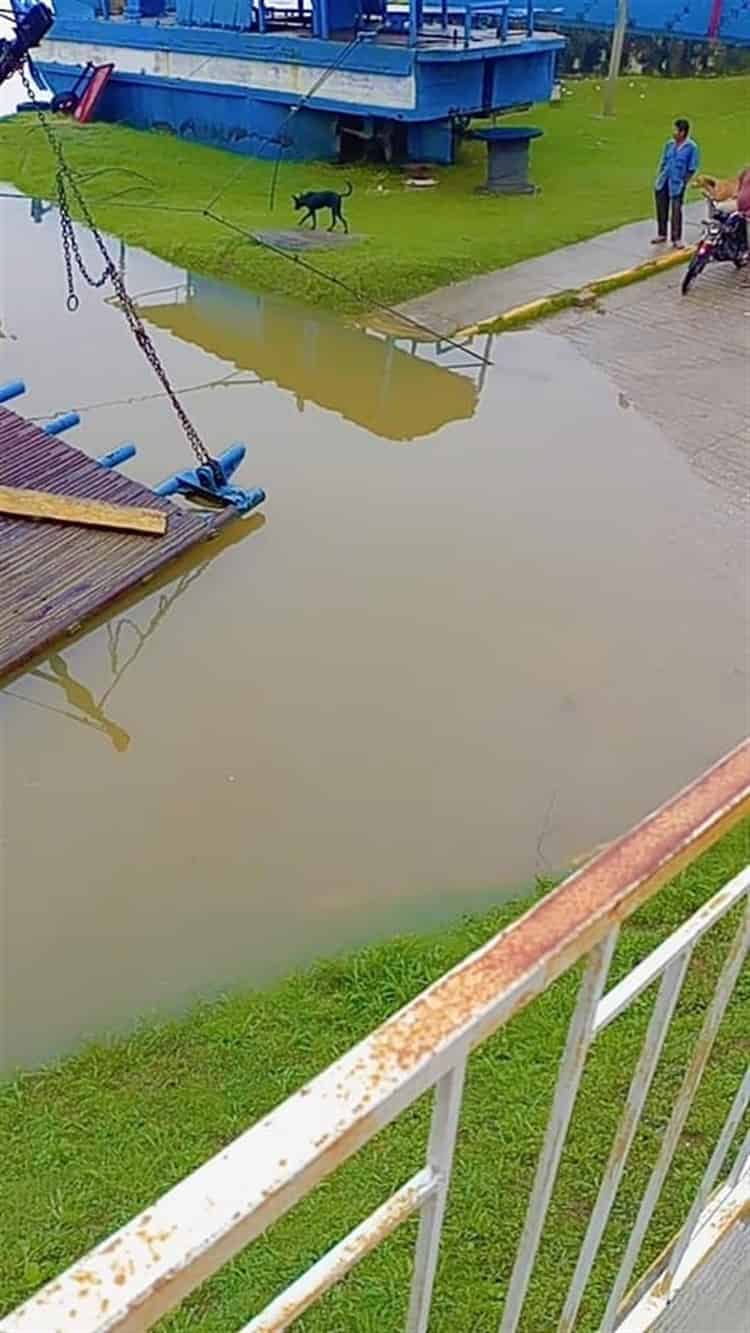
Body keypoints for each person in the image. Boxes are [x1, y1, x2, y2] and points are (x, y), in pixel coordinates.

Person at [652, 118, 700, 249]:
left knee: (676, 210)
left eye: (676, 130)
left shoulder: (691, 148)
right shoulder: (669, 144)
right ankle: (662, 233)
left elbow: (692, 168)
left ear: (683, 132)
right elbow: (663, 161)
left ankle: (676, 238)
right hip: (664, 180)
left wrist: (683, 182)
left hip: (677, 183)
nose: (673, 133)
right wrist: (659, 176)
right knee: (661, 207)